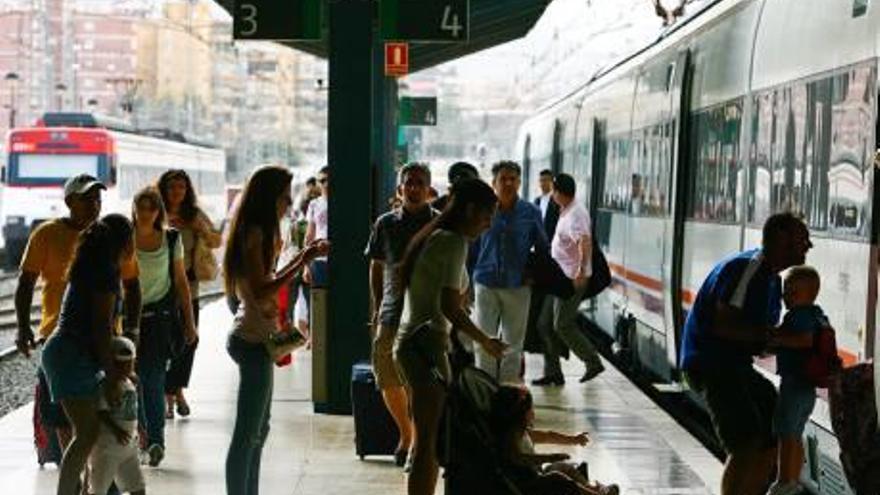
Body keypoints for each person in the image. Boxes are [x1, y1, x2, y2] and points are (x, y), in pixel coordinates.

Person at [680, 212, 812, 495]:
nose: (809, 245)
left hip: (735, 364)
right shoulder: (748, 268)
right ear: (781, 240)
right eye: (803, 239)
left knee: (775, 428)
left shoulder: (773, 280)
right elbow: (724, 323)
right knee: (746, 442)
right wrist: (778, 337)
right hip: (711, 363)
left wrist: (799, 344)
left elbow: (757, 337)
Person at [14, 175, 141, 465]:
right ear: (69, 201)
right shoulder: (46, 234)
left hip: (105, 341)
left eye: (97, 199)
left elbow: (133, 286)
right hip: (59, 336)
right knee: (63, 416)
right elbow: (26, 282)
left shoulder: (109, 236)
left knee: (105, 413)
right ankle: (77, 476)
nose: (93, 205)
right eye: (86, 198)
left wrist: (132, 330)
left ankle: (89, 475)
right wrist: (23, 327)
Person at [395, 178, 508, 495]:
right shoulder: (454, 242)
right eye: (487, 216)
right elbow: (448, 307)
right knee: (429, 442)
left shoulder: (437, 236)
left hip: (416, 343)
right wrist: (486, 340)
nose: (488, 225)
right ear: (471, 210)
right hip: (426, 346)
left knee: (428, 440)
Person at [222, 165, 328, 495]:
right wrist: (303, 259)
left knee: (259, 429)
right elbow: (262, 288)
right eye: (284, 195)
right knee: (247, 433)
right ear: (270, 197)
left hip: (257, 337)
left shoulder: (260, 231)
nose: (287, 202)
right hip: (250, 340)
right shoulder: (254, 233)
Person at [40, 214, 136, 495]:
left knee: (90, 433)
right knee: (86, 434)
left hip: (70, 353)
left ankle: (89, 490)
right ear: (124, 241)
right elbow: (101, 327)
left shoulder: (92, 265)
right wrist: (110, 376)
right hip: (70, 355)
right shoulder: (105, 272)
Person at [364, 163, 438, 466]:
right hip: (392, 310)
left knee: (419, 378)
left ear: (429, 189)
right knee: (386, 372)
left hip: (426, 313)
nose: (414, 188)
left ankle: (418, 440)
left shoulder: (440, 225)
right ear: (400, 188)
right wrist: (377, 305)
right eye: (409, 183)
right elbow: (376, 266)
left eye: (420, 183)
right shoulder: (385, 224)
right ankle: (406, 434)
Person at [131, 186, 197, 466]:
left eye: (151, 208)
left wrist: (190, 323)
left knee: (153, 380)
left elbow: (181, 283)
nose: (146, 213)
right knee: (130, 382)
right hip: (127, 322)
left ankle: (155, 439)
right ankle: (142, 436)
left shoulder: (171, 239)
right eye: (141, 207)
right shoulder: (124, 238)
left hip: (159, 321)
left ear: (158, 211)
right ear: (133, 209)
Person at [472, 161, 547, 382]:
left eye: (513, 179)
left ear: (519, 182)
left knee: (513, 344)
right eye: (503, 179)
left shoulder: (531, 212)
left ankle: (507, 392)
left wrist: (532, 274)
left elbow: (543, 247)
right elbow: (471, 245)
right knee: (484, 341)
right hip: (485, 283)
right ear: (493, 183)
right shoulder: (482, 210)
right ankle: (485, 391)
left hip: (518, 286)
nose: (508, 183)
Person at [156, 169, 222, 420]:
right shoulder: (156, 213)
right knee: (163, 342)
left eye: (182, 187)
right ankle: (168, 395)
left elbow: (217, 241)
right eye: (172, 187)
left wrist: (199, 228)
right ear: (164, 189)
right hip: (159, 287)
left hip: (189, 287)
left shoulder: (194, 214)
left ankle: (176, 391)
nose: (177, 192)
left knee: (189, 340)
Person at [533, 174, 604, 385]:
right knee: (544, 324)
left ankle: (592, 361)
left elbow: (584, 241)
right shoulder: (567, 209)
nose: (552, 196)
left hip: (571, 278)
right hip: (560, 276)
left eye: (554, 192)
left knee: (562, 324)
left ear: (559, 192)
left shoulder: (576, 214)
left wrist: (581, 272)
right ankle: (553, 371)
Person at [490, 385, 619, 495]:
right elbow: (520, 458)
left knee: (563, 467)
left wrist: (573, 439)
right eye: (530, 409)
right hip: (528, 485)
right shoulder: (510, 439)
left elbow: (548, 436)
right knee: (557, 478)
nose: (533, 413)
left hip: (537, 476)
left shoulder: (523, 433)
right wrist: (549, 458)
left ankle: (591, 489)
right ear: (519, 414)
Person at [766, 266, 825, 495]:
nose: (786, 297)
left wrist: (775, 337)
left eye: (792, 293)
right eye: (785, 292)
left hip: (794, 384)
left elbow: (804, 340)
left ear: (809, 294)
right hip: (807, 388)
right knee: (795, 433)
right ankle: (793, 480)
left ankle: (784, 481)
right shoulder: (817, 313)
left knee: (785, 434)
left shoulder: (798, 316)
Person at [88, 336, 145, 495]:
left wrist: (140, 428)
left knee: (137, 486)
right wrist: (116, 430)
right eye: (120, 365)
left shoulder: (130, 383)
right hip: (108, 447)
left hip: (129, 446)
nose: (125, 369)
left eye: (129, 365)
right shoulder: (105, 385)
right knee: (99, 488)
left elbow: (133, 410)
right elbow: (101, 412)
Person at [303, 165, 330, 287]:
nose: (326, 184)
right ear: (318, 184)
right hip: (319, 261)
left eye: (328, 180)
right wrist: (306, 267)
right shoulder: (314, 204)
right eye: (322, 181)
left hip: (341, 259)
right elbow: (309, 237)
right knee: (320, 302)